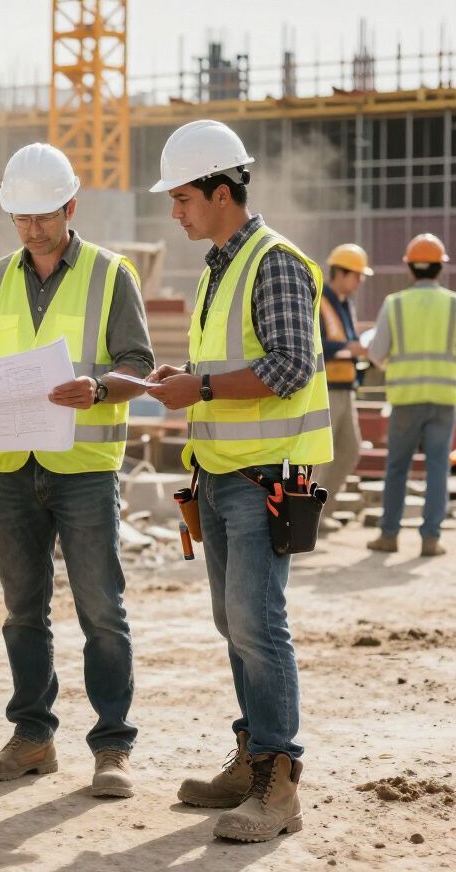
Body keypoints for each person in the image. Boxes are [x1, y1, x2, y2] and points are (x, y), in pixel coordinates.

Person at [145, 119, 332, 843]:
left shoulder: (274, 262)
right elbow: (222, 366)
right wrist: (185, 379)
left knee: (258, 622)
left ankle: (278, 782)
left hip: (262, 478)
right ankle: (254, 755)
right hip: (221, 474)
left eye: (184, 196)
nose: (175, 211)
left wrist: (203, 387)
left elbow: (289, 366)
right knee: (235, 621)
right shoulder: (220, 265)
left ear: (222, 191)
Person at [0, 142, 154, 799]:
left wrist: (97, 387)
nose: (33, 227)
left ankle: (112, 748)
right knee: (22, 612)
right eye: (21, 217)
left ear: (71, 206)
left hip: (86, 468)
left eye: (43, 215)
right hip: (13, 470)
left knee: (102, 609)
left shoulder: (109, 273)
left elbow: (139, 365)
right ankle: (33, 737)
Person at [366, 233, 456, 557]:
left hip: (405, 398)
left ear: (410, 269)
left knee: (397, 468)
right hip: (443, 398)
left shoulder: (394, 304)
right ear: (439, 268)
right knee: (438, 467)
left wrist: (397, 363)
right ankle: (430, 539)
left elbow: (376, 353)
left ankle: (389, 536)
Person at [313, 244, 371, 520]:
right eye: (357, 275)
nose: (360, 281)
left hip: (345, 388)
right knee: (322, 455)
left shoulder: (345, 303)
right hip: (326, 389)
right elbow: (315, 344)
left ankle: (322, 512)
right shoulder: (320, 300)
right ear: (342, 273)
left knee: (349, 450)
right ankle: (311, 517)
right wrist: (349, 347)